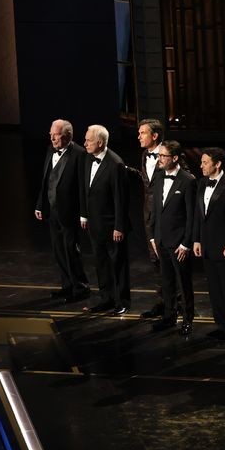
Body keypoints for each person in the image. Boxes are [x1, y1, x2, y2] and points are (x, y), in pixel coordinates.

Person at [34, 119, 90, 302]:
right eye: (51, 133)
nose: (51, 137)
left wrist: (84, 213)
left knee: (71, 250)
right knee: (58, 250)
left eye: (55, 134)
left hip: (70, 212)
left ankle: (80, 288)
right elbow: (46, 179)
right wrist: (40, 204)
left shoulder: (80, 154)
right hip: (52, 209)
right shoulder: (51, 150)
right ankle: (67, 285)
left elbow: (83, 187)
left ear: (67, 136)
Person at [79, 125, 131, 315]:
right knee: (101, 263)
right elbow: (85, 190)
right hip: (95, 223)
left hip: (111, 226)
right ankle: (106, 298)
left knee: (118, 263)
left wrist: (119, 226)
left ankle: (122, 300)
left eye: (88, 140)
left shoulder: (115, 164)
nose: (85, 143)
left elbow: (120, 198)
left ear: (100, 143)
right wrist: (84, 214)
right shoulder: (87, 159)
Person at [192, 147, 225, 340]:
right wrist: (196, 239)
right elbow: (199, 214)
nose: (201, 165)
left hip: (224, 247)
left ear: (217, 164)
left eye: (205, 162)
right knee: (214, 288)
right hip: (206, 245)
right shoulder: (201, 183)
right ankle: (222, 325)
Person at [147, 140, 196, 335]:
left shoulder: (188, 181)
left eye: (163, 156)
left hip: (179, 243)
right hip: (161, 239)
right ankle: (169, 316)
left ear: (174, 158)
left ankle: (188, 319)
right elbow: (155, 209)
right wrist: (152, 236)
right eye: (159, 156)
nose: (160, 159)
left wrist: (186, 243)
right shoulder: (158, 177)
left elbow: (191, 216)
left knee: (183, 283)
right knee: (166, 281)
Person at [136, 118, 167, 319]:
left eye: (142, 133)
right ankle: (163, 302)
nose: (139, 137)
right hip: (149, 216)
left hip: (165, 216)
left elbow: (185, 180)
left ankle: (177, 303)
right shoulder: (144, 155)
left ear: (154, 136)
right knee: (155, 260)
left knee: (169, 261)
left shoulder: (170, 154)